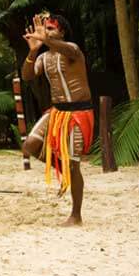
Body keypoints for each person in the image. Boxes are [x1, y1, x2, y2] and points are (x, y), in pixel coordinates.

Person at [21, 12, 95, 226]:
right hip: (56, 112)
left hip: (78, 113)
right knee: (30, 145)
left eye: (51, 28)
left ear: (62, 31)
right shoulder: (44, 58)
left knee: (75, 165)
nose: (46, 32)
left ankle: (76, 216)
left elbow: (68, 49)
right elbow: (27, 76)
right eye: (45, 29)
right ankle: (63, 171)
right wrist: (33, 51)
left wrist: (45, 39)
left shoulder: (73, 50)